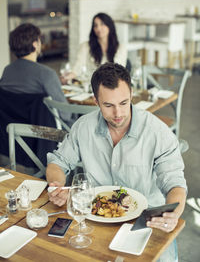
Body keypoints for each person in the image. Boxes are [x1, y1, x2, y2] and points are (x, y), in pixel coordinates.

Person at [46, 63, 187, 261]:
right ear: (96, 101)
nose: (118, 113)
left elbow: (175, 183)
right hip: (97, 218)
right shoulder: (83, 127)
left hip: (147, 221)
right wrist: (57, 185)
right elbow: (58, 163)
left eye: (124, 102)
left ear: (131, 94)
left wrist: (173, 212)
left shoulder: (157, 132)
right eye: (108, 105)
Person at [0, 23, 71, 123]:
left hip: (12, 134)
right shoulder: (47, 74)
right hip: (43, 135)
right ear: (35, 44)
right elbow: (66, 114)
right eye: (39, 39)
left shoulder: (7, 71)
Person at [60, 12, 127, 83]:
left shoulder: (120, 48)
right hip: (91, 86)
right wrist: (67, 77)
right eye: (95, 25)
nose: (98, 28)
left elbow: (119, 73)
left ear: (110, 26)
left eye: (102, 24)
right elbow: (77, 68)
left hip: (112, 85)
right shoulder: (85, 46)